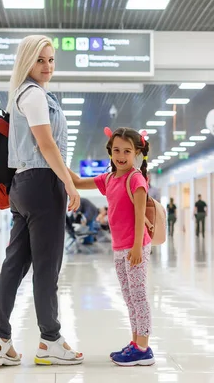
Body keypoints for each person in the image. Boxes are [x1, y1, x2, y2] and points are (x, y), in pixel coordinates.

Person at [0, 35, 82, 367]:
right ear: (27, 62)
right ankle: (50, 341)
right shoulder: (35, 96)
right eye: (40, 60)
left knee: (15, 263)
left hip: (22, 185)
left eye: (51, 60)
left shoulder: (20, 96)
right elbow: (46, 144)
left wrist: (70, 179)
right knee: (46, 268)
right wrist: (68, 184)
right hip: (42, 185)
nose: (47, 67)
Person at [69, 127, 155, 367]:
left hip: (135, 247)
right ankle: (135, 342)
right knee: (129, 298)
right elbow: (76, 181)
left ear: (137, 152)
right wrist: (53, 156)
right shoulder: (109, 178)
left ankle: (143, 348)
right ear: (110, 151)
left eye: (127, 151)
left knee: (139, 297)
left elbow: (140, 217)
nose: (121, 155)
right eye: (116, 150)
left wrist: (137, 248)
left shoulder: (135, 179)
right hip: (119, 248)